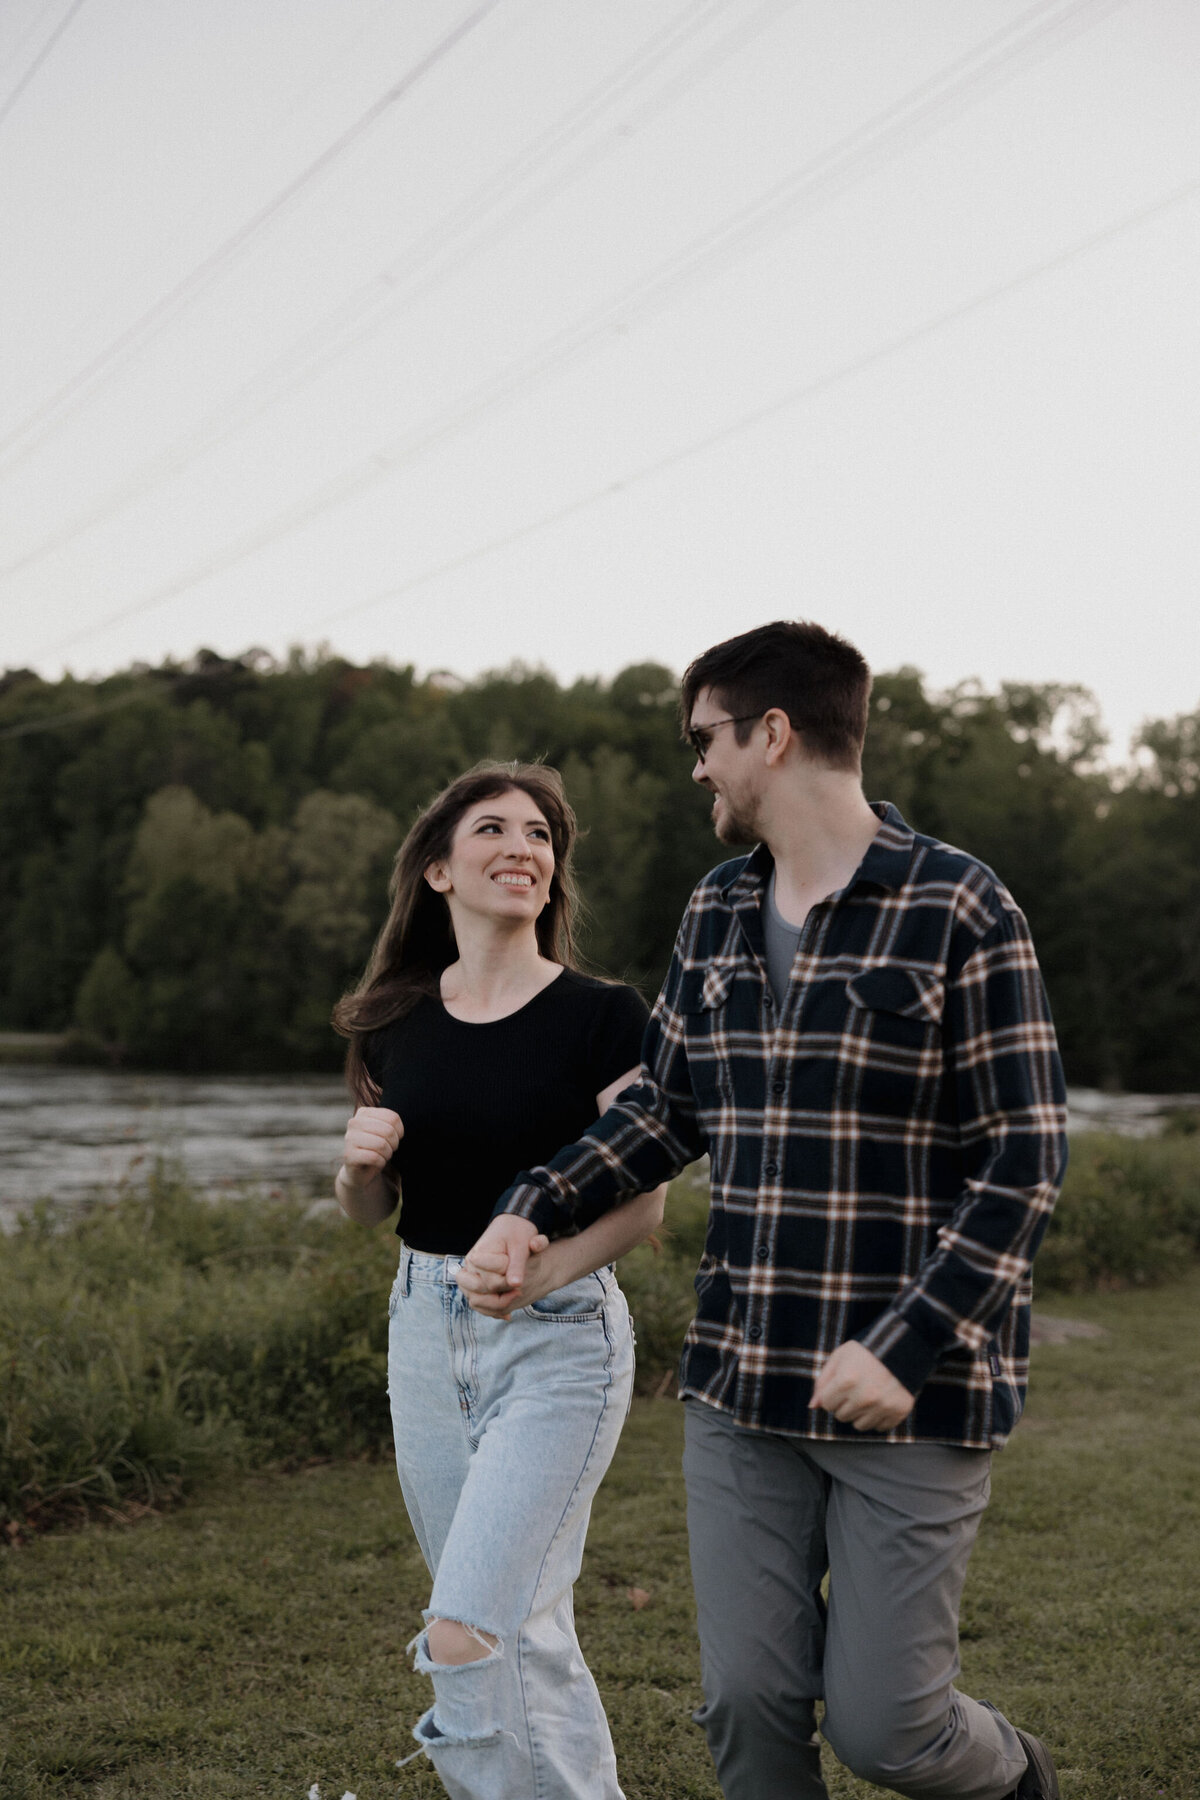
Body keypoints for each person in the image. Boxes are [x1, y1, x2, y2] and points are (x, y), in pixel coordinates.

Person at [460, 623, 1068, 1800]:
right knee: (748, 1708)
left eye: (706, 740)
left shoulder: (960, 905)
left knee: (892, 1729)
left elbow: (1025, 1156)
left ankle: (1017, 1777)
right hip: (742, 1382)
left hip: (915, 1394)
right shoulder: (717, 912)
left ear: (772, 735)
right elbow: (665, 1114)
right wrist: (527, 1206)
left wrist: (907, 1344)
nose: (698, 767)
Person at [332, 761, 664, 1799]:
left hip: (559, 1337)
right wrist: (353, 1169)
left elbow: (645, 1204)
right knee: (523, 1622)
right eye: (493, 828)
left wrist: (539, 1271)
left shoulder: (605, 1017)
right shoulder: (392, 1022)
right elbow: (371, 1214)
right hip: (423, 1334)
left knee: (466, 1626)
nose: (523, 846)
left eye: (540, 834)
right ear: (438, 869)